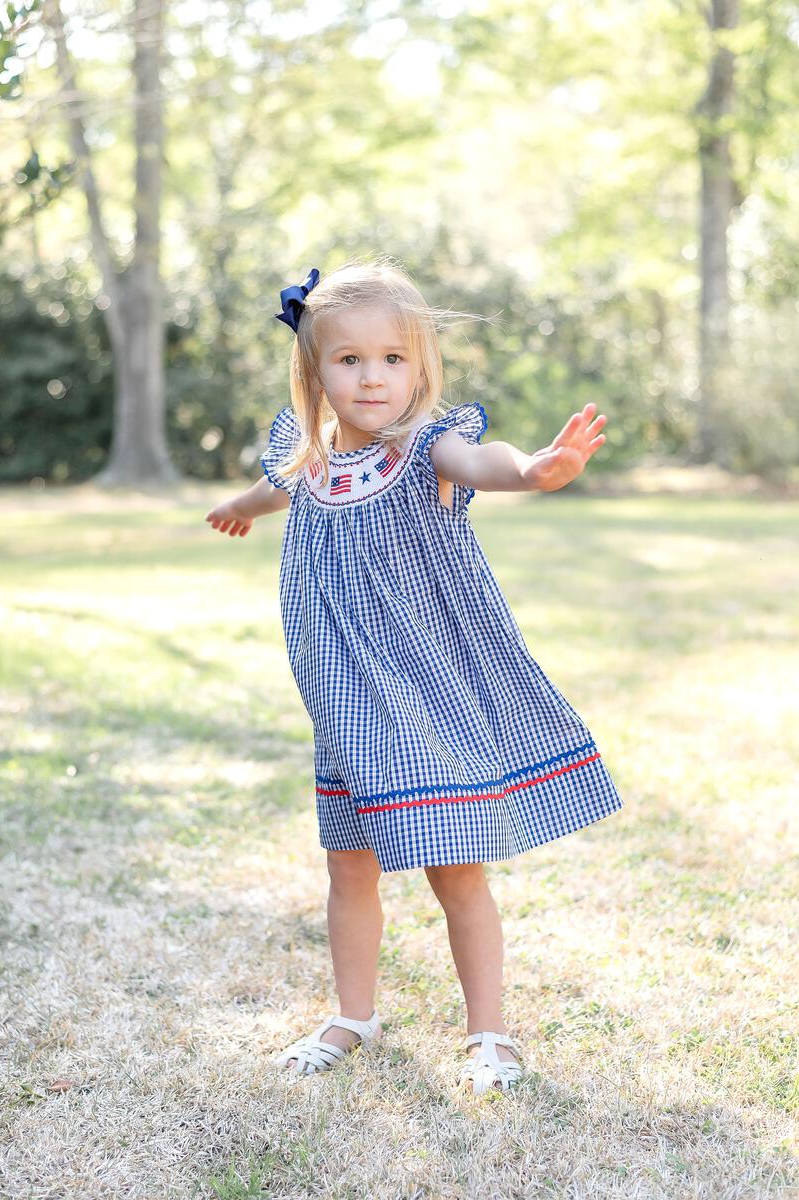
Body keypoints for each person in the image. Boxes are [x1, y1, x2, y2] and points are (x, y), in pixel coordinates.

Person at [205, 259, 624, 1096]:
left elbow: (485, 462)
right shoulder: (307, 456)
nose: (371, 376)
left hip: (425, 696)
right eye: (349, 359)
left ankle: (490, 1032)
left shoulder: (429, 447)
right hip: (344, 698)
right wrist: (239, 509)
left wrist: (535, 471)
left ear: (421, 369)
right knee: (349, 865)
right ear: (314, 371)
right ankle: (352, 1013)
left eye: (392, 359)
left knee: (453, 863)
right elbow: (276, 485)